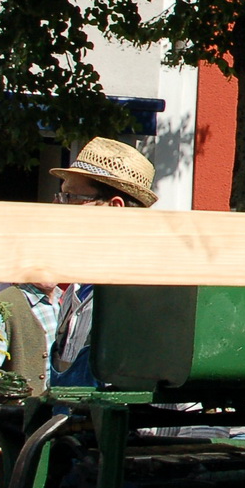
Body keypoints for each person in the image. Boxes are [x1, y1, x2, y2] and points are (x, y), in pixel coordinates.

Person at [45, 138, 159, 388]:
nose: (56, 207)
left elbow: (191, 411)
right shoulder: (76, 289)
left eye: (70, 197)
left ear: (114, 208)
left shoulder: (149, 294)